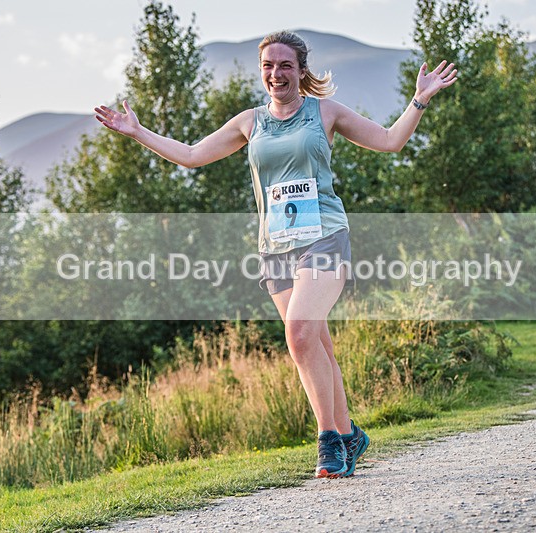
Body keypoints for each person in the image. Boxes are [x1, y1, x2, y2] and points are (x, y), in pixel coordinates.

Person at [94, 30, 457, 478]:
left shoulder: (325, 112)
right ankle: (349, 435)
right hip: (276, 249)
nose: (276, 73)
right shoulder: (249, 123)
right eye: (268, 66)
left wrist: (418, 100)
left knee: (299, 333)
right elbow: (190, 155)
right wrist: (137, 132)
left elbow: (388, 141)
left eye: (285, 65)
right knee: (316, 344)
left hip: (324, 236)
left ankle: (328, 440)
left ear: (301, 70)